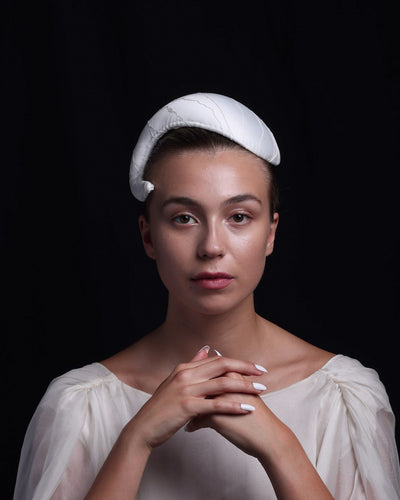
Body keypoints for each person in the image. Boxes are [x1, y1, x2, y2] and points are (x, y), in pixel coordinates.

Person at [14, 93, 400, 500]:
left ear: (269, 233)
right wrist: (136, 439)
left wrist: (282, 448)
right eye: (184, 218)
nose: (211, 246)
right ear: (148, 236)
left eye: (239, 217)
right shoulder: (79, 409)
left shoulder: (345, 398)